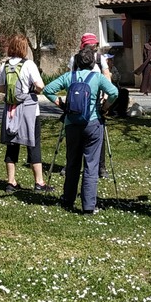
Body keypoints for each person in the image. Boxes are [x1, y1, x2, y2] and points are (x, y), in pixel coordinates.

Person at [43, 44, 118, 214]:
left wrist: (61, 104)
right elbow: (114, 92)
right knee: (91, 164)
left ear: (77, 62)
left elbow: (48, 90)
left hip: (72, 123)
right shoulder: (97, 78)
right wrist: (105, 107)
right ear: (93, 63)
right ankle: (88, 206)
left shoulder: (69, 76)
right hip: (92, 123)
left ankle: (68, 199)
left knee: (72, 162)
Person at [0, 33, 53, 194]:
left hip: (10, 111)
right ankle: (39, 182)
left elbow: (1, 88)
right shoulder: (29, 65)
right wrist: (32, 90)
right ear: (24, 48)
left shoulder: (4, 66)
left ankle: (11, 182)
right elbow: (40, 86)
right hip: (29, 110)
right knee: (33, 143)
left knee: (12, 145)